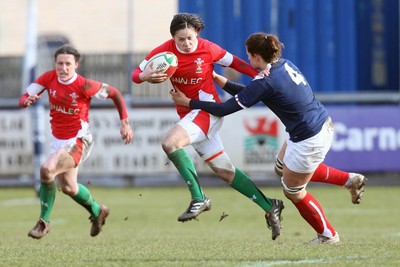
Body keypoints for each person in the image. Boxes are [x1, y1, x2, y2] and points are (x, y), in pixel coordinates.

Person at [171, 32, 363, 244]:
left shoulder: (265, 81)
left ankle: (328, 235)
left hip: (309, 138)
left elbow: (226, 108)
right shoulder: (283, 64)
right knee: (281, 168)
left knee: (294, 190)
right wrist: (218, 79)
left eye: (248, 56)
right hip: (319, 124)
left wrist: (190, 102)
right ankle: (349, 180)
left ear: (255, 56)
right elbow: (252, 93)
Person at [132, 13, 284, 240]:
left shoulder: (208, 48)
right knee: (225, 172)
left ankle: (198, 197)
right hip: (190, 115)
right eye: (181, 39)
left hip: (207, 110)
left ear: (197, 35)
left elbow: (237, 63)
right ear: (173, 37)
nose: (186, 43)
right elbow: (135, 74)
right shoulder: (164, 52)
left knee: (170, 142)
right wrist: (145, 75)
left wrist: (261, 73)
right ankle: (270, 205)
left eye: (190, 38)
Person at [19, 45, 133, 239]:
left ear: (76, 65)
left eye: (68, 64)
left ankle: (43, 222)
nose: (63, 68)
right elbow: (24, 97)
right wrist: (26, 101)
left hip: (79, 139)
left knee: (47, 170)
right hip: (58, 141)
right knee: (69, 188)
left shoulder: (84, 85)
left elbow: (115, 93)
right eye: (59, 64)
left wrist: (125, 123)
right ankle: (98, 211)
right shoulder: (48, 78)